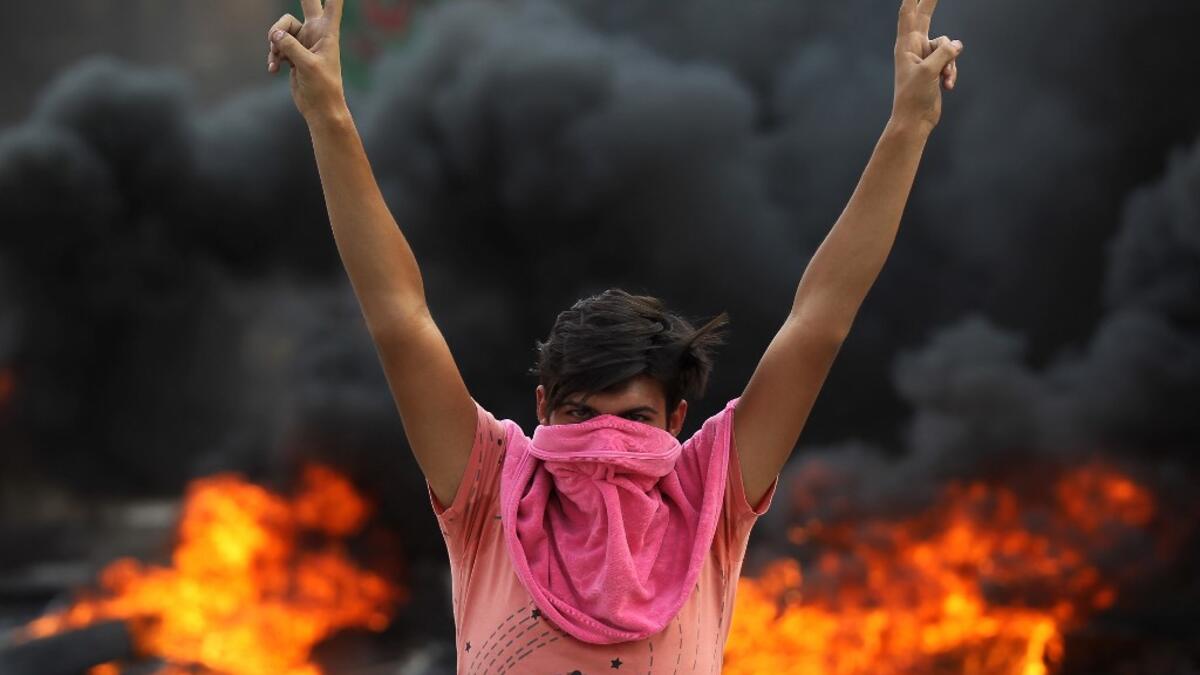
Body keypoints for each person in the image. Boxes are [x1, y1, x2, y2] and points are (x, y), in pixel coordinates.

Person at [266, 0, 962, 671]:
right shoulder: (487, 490)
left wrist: (909, 125)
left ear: (677, 419)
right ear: (541, 408)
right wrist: (328, 113)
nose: (605, 445)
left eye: (634, 420)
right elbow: (399, 320)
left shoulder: (709, 498)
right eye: (579, 416)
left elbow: (819, 322)